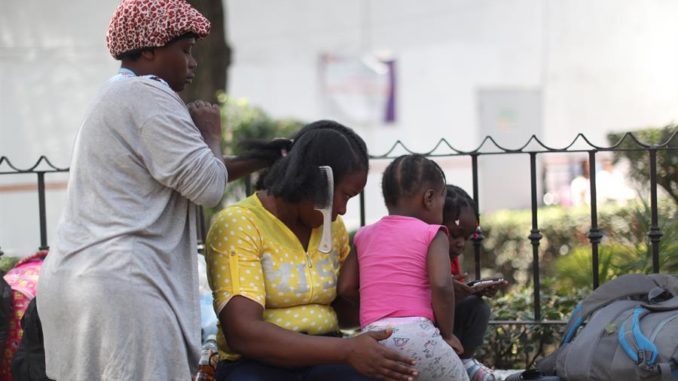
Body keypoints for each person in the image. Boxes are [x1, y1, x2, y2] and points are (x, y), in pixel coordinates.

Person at [36, 1, 280, 379]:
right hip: (126, 287)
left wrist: (265, 157)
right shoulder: (149, 95)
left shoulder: (114, 95)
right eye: (185, 50)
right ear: (149, 49)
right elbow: (208, 185)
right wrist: (210, 132)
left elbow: (190, 171)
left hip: (82, 282)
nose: (193, 63)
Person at [204, 120, 418, 381]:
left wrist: (409, 293)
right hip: (257, 363)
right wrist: (346, 349)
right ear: (315, 183)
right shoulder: (240, 224)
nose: (342, 210)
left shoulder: (332, 227)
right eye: (345, 196)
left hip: (327, 357)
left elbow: (343, 311)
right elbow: (243, 333)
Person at [338, 154, 469, 381]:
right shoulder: (433, 233)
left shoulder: (364, 235)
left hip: (373, 339)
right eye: (442, 198)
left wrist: (381, 305)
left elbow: (346, 287)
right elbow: (441, 284)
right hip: (417, 334)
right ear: (429, 198)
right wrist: (447, 335)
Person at [443, 185, 508, 381]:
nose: (461, 243)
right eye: (455, 235)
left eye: (467, 237)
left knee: (478, 307)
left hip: (446, 316)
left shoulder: (451, 255)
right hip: (427, 322)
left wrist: (471, 290)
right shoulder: (428, 250)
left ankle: (464, 361)